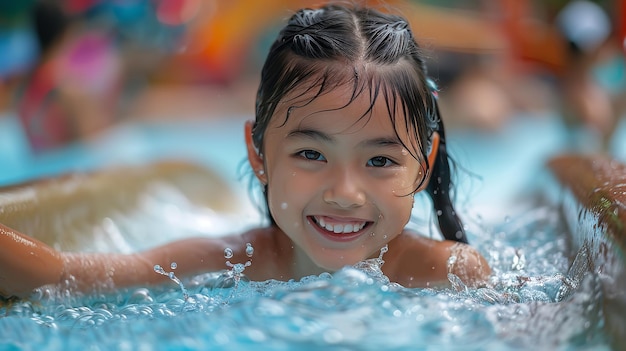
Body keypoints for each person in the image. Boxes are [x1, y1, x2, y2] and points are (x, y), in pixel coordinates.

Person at [0, 3, 490, 300]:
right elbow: (70, 275)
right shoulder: (230, 261)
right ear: (258, 154)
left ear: (423, 166)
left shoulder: (448, 274)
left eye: (379, 161)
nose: (345, 193)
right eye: (311, 155)